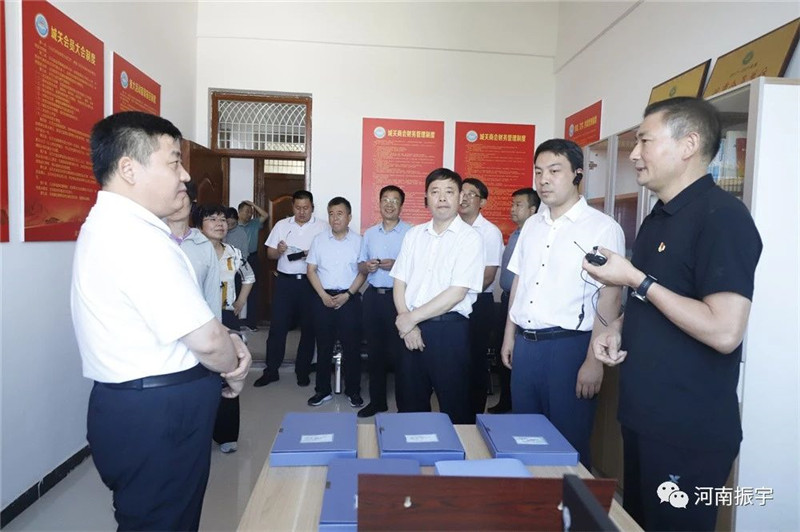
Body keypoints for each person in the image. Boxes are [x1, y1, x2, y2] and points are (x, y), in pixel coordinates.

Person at [582, 97, 762, 531]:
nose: (634, 154)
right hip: (643, 417)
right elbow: (656, 302)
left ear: (688, 145)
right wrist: (619, 328)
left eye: (645, 141)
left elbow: (725, 331)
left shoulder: (723, 218)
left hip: (687, 431)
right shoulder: (658, 217)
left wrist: (635, 279)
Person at [71, 111, 251, 530]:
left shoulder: (116, 227)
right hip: (158, 416)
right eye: (173, 162)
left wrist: (226, 341)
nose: (185, 175)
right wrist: (234, 365)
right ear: (129, 168)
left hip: (143, 407)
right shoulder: (134, 238)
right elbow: (206, 341)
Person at [500, 138, 624, 469]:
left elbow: (609, 296)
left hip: (570, 349)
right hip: (526, 347)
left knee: (569, 444)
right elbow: (520, 283)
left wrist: (594, 362)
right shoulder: (531, 226)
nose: (544, 180)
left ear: (577, 174)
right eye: (539, 172)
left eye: (554, 171)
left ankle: (570, 501)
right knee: (524, 438)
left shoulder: (602, 228)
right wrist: (509, 336)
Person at [390, 168, 484, 424]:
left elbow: (457, 292)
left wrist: (410, 320)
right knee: (409, 405)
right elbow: (400, 281)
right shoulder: (413, 235)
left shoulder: (470, 238)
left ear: (460, 197)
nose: (442, 198)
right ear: (426, 198)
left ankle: (457, 451)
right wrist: (407, 322)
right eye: (435, 192)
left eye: (449, 191)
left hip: (449, 331)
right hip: (409, 329)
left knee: (455, 407)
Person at [196, 204, 256, 454]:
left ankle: (227, 435)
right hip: (200, 319)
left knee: (229, 374)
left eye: (222, 219)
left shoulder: (233, 252)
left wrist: (240, 301)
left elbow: (249, 277)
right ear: (200, 225)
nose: (219, 223)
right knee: (199, 376)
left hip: (227, 316)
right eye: (212, 219)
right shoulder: (192, 252)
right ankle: (199, 432)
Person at [254, 190, 328, 387]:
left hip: (310, 283)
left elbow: (329, 255)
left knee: (309, 329)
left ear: (312, 207)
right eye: (298, 208)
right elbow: (269, 254)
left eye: (306, 208)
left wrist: (313, 254)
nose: (302, 212)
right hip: (285, 282)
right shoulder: (282, 225)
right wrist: (278, 251)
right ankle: (271, 370)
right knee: (277, 328)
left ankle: (302, 370)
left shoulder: (323, 227)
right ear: (292, 207)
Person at [305, 197, 367, 407]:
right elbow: (311, 270)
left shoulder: (359, 241)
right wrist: (323, 295)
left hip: (349, 298)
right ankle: (322, 390)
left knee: (352, 347)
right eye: (331, 214)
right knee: (323, 346)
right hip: (323, 298)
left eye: (339, 214)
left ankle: (353, 391)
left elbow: (363, 272)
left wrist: (348, 294)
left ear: (349, 217)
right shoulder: (319, 240)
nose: (335, 218)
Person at [357, 185, 412, 417]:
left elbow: (419, 268)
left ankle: (405, 404)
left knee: (402, 354)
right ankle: (377, 401)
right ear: (379, 204)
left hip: (400, 300)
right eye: (385, 200)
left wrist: (397, 265)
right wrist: (367, 266)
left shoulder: (412, 233)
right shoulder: (370, 234)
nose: (389, 204)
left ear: (401, 205)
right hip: (373, 298)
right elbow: (360, 265)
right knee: (375, 352)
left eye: (394, 200)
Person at [488, 187, 539, 414]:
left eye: (518, 205)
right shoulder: (516, 234)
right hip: (506, 299)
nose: (512, 209)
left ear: (533, 209)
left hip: (522, 303)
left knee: (517, 355)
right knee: (504, 349)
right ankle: (506, 400)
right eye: (512, 204)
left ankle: (513, 401)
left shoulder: (535, 236)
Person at [459, 177, 504, 417]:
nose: (464, 198)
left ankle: (473, 416)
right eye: (461, 193)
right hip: (451, 305)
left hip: (478, 303)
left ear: (482, 202)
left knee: (475, 360)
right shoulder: (452, 227)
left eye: (471, 194)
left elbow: (488, 276)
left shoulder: (490, 232)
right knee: (455, 359)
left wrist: (457, 296)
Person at [164, 193, 222, 321]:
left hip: (195, 322)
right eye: (169, 197)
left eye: (181, 198)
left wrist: (215, 327)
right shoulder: (151, 238)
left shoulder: (204, 245)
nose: (176, 204)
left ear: (192, 203)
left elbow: (212, 294)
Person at [238, 199, 268, 330]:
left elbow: (265, 215)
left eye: (250, 212)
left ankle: (251, 323)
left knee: (253, 291)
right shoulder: (233, 225)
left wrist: (253, 205)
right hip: (237, 259)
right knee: (235, 289)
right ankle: (234, 321)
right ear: (239, 212)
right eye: (246, 211)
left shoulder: (254, 223)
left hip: (252, 258)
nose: (249, 214)